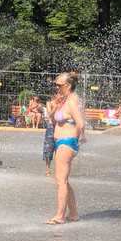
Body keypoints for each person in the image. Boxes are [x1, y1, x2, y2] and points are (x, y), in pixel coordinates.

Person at [48, 71, 85, 225]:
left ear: (68, 86)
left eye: (59, 85)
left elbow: (80, 123)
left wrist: (76, 139)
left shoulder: (72, 101)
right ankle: (73, 213)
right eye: (56, 85)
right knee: (63, 180)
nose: (57, 88)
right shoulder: (65, 100)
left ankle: (60, 216)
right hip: (62, 142)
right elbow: (53, 120)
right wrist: (56, 106)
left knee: (60, 181)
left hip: (66, 142)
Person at [43, 97, 57, 176]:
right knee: (48, 148)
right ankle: (47, 168)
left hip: (61, 128)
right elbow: (49, 115)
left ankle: (59, 169)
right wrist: (55, 108)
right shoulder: (49, 103)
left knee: (60, 149)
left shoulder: (64, 103)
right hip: (51, 127)